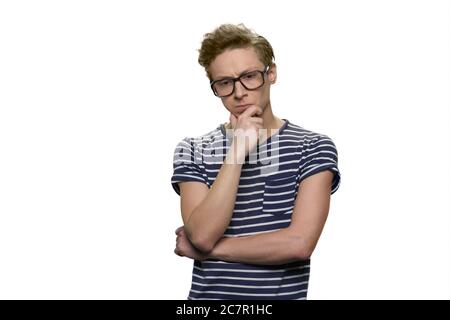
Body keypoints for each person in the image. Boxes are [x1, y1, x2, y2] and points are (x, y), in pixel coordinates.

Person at [171, 23, 341, 300]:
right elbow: (201, 234)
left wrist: (211, 250)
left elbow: (298, 244)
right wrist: (237, 151)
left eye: (249, 76)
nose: (239, 92)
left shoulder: (313, 147)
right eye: (225, 83)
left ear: (271, 73)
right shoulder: (193, 149)